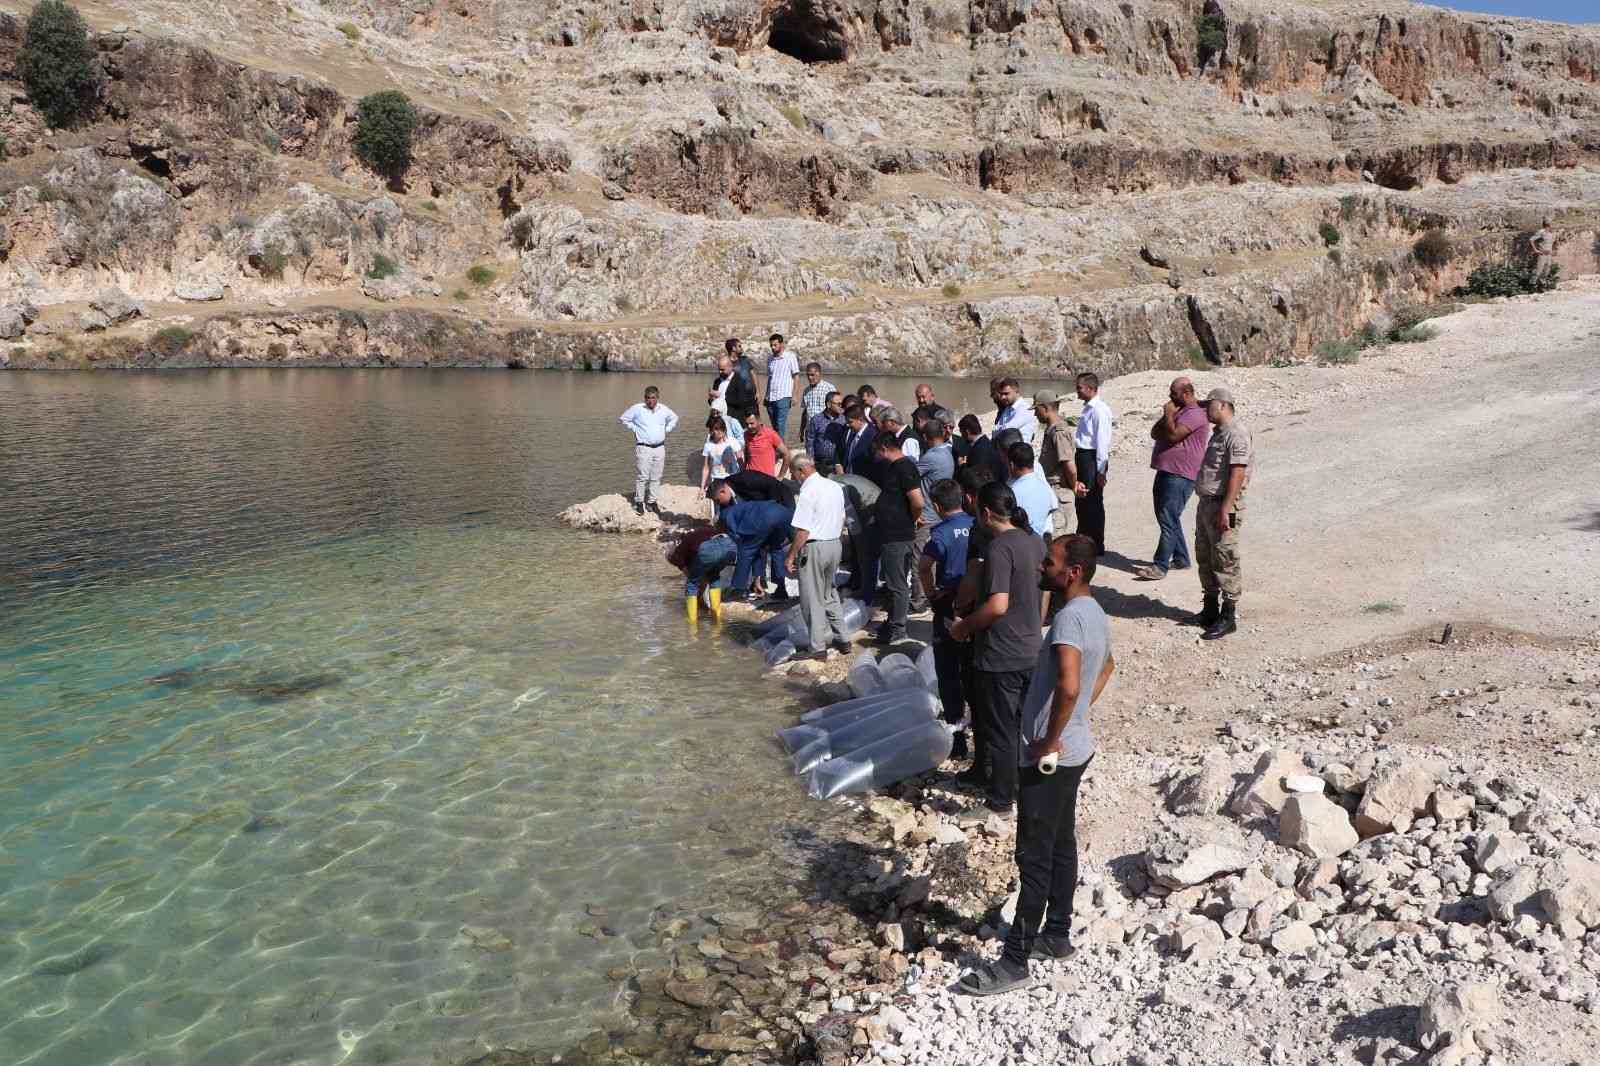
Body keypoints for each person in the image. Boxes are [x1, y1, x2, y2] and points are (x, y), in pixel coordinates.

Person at [958, 534, 1114, 997]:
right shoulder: (1096, 613)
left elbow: (1068, 686)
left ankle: (1014, 962)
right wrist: (1077, 718)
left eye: (1050, 563)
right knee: (1062, 842)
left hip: (1051, 759)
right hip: (1075, 752)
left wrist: (1049, 737)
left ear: (1073, 573)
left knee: (1033, 855)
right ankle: (1057, 935)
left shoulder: (1067, 620)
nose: (1041, 568)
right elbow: (1106, 668)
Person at [949, 481, 1043, 820]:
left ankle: (1000, 802)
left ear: (986, 513)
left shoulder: (999, 548)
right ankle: (1023, 789)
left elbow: (998, 604)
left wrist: (963, 627)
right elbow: (1043, 595)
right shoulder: (1034, 541)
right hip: (1031, 647)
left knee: (1001, 730)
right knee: (1023, 726)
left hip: (1001, 653)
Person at [1191, 387, 1253, 641]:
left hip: (1222, 505)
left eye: (1209, 405)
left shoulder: (1236, 433)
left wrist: (1226, 508)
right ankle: (1210, 609)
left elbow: (1237, 473)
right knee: (1205, 555)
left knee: (1225, 558)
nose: (1206, 410)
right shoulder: (1219, 433)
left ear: (1223, 405)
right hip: (1208, 503)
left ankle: (1228, 615)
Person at [918, 478, 974, 756]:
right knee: (973, 666)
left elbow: (924, 566)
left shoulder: (940, 533)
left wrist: (931, 595)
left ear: (938, 506)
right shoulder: (977, 524)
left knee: (948, 670)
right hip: (975, 603)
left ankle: (957, 733)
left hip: (949, 600)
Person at [1135, 377, 1210, 581]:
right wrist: (1167, 415)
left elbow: (1174, 436)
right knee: (1167, 517)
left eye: (1174, 393)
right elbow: (1155, 433)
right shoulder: (1180, 411)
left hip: (1180, 474)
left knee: (1168, 518)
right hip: (1167, 470)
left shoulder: (1194, 414)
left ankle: (1160, 566)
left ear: (1186, 393)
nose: (1170, 397)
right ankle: (1181, 558)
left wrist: (1169, 414)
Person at [785, 454, 855, 658]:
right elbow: (843, 517)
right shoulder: (834, 486)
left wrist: (790, 556)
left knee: (811, 599)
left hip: (815, 548)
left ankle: (817, 648)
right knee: (829, 593)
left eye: (794, 473)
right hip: (835, 544)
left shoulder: (808, 491)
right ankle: (843, 638)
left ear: (802, 470)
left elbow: (802, 531)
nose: (794, 478)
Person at [871, 430, 925, 645]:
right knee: (892, 582)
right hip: (890, 534)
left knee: (898, 584)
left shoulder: (905, 467)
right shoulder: (895, 468)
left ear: (884, 448)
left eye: (877, 451)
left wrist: (910, 519)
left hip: (898, 535)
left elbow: (918, 502)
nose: (876, 456)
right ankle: (892, 622)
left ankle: (899, 628)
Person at [913, 418, 956, 611]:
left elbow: (910, 475)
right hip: (939, 513)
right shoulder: (947, 452)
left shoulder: (930, 457)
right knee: (935, 558)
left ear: (925, 437)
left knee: (919, 559)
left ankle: (919, 600)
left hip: (926, 515)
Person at [717, 494, 792, 602]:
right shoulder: (740, 509)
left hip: (766, 517)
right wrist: (757, 580)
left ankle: (738, 589)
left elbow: (744, 546)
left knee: (746, 550)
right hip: (784, 514)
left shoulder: (725, 517)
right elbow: (759, 550)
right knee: (776, 549)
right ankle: (780, 591)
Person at [618, 386, 679, 516]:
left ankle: (652, 502)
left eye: (653, 398)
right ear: (644, 398)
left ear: (657, 398)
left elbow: (674, 418)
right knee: (642, 476)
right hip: (644, 447)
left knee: (656, 476)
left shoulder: (663, 409)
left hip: (659, 447)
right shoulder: (638, 408)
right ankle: (639, 502)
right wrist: (634, 428)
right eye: (647, 398)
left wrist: (667, 429)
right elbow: (623, 418)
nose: (650, 400)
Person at [1070, 372, 1113, 554]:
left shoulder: (1099, 410)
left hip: (1091, 458)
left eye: (1080, 388)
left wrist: (1101, 470)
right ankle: (1085, 537)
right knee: (1082, 500)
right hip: (1083, 456)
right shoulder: (1088, 408)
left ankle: (1095, 543)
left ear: (1090, 388)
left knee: (1092, 501)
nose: (1077, 391)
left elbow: (1102, 442)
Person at [667, 524, 736, 623]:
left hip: (709, 549)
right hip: (729, 547)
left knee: (691, 585)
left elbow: (685, 568)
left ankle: (692, 622)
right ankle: (716, 619)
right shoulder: (698, 533)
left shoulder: (679, 552)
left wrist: (693, 578)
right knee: (714, 577)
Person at [1032, 390, 1074, 537]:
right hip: (1052, 490)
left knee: (1057, 537)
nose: (1035, 414)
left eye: (1036, 410)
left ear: (1045, 408)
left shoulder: (1058, 431)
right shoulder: (1051, 430)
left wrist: (1073, 486)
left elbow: (1069, 465)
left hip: (1059, 491)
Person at [1006, 442, 1057, 544]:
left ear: (1011, 465)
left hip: (1017, 546)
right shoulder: (1045, 488)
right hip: (1039, 545)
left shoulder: (1011, 492)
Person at [763, 333, 800, 438]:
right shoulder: (770, 359)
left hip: (784, 396)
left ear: (781, 344)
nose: (773, 348)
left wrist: (795, 395)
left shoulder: (790, 357)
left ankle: (781, 452)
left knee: (780, 425)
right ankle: (777, 449)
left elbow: (796, 376)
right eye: (771, 345)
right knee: (774, 426)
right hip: (771, 397)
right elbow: (770, 378)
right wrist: (766, 395)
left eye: (775, 345)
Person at [711, 469, 798, 512]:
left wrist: (771, 509)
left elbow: (772, 485)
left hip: (782, 499)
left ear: (722, 491)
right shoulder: (726, 494)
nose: (719, 504)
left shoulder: (744, 479)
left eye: (718, 501)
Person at [805, 390, 847, 474]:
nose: (841, 406)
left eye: (841, 404)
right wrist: (811, 460)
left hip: (839, 464)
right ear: (828, 404)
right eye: (838, 404)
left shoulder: (844, 420)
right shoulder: (816, 420)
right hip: (820, 463)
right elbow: (810, 441)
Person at [741, 411, 791, 479]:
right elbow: (747, 452)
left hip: (766, 479)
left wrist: (781, 476)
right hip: (750, 477)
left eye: (752, 423)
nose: (749, 426)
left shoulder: (770, 434)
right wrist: (744, 469)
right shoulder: (746, 434)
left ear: (759, 421)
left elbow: (787, 454)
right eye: (746, 424)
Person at [700, 414, 741, 498]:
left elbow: (741, 461)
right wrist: (702, 487)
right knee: (718, 505)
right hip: (716, 479)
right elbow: (706, 467)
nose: (720, 431)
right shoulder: (708, 446)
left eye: (722, 428)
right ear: (711, 431)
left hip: (732, 478)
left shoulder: (732, 442)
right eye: (716, 429)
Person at [991, 376, 1038, 447]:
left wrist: (997, 432)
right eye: (1001, 394)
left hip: (1018, 453)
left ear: (1017, 391)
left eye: (1006, 394)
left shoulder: (1025, 409)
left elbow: (1005, 431)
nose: (1002, 397)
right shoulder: (1008, 407)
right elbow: (996, 431)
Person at [724, 338, 759, 425]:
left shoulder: (745, 360)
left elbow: (753, 374)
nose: (741, 348)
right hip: (737, 400)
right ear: (733, 348)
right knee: (740, 423)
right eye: (739, 346)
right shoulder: (727, 363)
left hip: (751, 398)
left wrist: (758, 391)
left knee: (755, 421)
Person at [839, 403, 877, 479]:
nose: (847, 425)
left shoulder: (873, 436)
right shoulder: (853, 433)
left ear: (860, 419)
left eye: (850, 422)